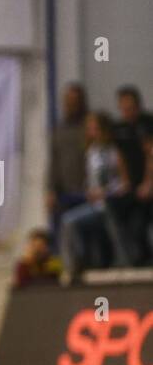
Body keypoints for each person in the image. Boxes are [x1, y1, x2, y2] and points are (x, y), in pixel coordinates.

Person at [59, 111, 129, 281]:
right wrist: (89, 191)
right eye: (90, 129)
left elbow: (124, 183)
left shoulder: (113, 152)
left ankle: (124, 260)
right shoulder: (91, 152)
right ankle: (74, 264)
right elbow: (91, 180)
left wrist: (105, 192)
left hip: (111, 204)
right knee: (69, 221)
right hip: (94, 206)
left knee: (111, 220)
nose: (92, 132)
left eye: (96, 128)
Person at [110, 86, 153, 265]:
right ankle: (126, 258)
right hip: (132, 184)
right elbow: (120, 157)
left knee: (140, 222)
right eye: (123, 108)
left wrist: (148, 182)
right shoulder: (119, 128)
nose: (127, 112)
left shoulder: (147, 123)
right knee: (116, 211)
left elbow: (150, 153)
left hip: (147, 184)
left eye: (130, 108)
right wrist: (125, 181)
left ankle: (145, 259)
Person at [45, 83, 87, 249]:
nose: (71, 105)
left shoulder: (88, 127)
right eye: (68, 101)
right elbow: (54, 162)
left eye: (75, 101)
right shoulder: (59, 130)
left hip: (87, 191)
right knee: (65, 231)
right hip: (65, 193)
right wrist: (51, 190)